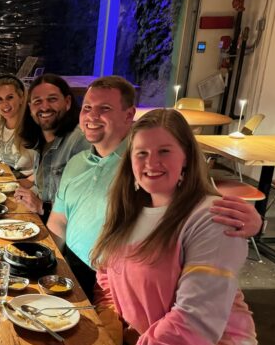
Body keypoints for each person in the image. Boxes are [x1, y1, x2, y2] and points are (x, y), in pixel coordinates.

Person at [90, 108, 260, 345]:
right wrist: (108, 339)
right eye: (142, 153)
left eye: (164, 151)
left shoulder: (211, 218)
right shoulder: (130, 211)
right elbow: (107, 280)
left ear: (186, 158)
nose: (151, 162)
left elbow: (196, 321)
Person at [48, 75, 262, 299]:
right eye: (87, 107)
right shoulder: (77, 162)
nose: (92, 116)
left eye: (105, 108)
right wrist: (50, 263)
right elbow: (59, 220)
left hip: (118, 283)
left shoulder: (146, 169)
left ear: (129, 115)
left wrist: (248, 219)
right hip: (73, 271)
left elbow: (196, 202)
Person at [12, 73, 89, 220]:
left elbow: (85, 205)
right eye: (37, 101)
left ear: (67, 102)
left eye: (52, 99)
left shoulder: (80, 141)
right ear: (30, 108)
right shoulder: (41, 140)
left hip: (60, 229)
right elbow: (43, 189)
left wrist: (42, 207)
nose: (45, 107)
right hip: (40, 220)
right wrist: (20, 192)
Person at [0, 75, 37, 177]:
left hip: (23, 184)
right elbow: (7, 154)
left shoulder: (34, 128)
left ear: (21, 98)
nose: (4, 104)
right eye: (0, 99)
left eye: (10, 97)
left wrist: (27, 183)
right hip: (1, 181)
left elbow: (46, 168)